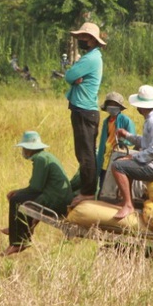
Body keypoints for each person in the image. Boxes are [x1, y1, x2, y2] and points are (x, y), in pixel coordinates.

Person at [1, 131, 73, 256]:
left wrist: (17, 192)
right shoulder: (45, 156)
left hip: (56, 199)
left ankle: (18, 241)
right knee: (19, 197)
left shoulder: (40, 159)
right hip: (56, 196)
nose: (23, 151)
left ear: (29, 149)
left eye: (24, 148)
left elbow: (36, 187)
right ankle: (16, 230)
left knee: (16, 199)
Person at [111, 85, 153, 219]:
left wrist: (133, 157)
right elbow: (145, 142)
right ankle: (127, 200)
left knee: (117, 166)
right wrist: (127, 135)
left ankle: (128, 204)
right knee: (127, 164)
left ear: (142, 106)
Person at [65, 22, 107, 203]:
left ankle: (88, 192)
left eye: (83, 37)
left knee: (86, 153)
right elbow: (73, 77)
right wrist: (74, 78)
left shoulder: (90, 59)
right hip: (83, 110)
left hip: (84, 110)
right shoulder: (91, 56)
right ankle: (86, 188)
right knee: (84, 152)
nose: (81, 40)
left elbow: (69, 76)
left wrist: (74, 78)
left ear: (91, 40)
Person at [95, 92, 136, 198]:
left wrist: (122, 142)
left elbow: (132, 139)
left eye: (115, 104)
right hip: (105, 155)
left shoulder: (126, 120)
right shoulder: (106, 121)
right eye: (110, 103)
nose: (112, 106)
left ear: (119, 107)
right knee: (103, 182)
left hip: (118, 154)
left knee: (115, 182)